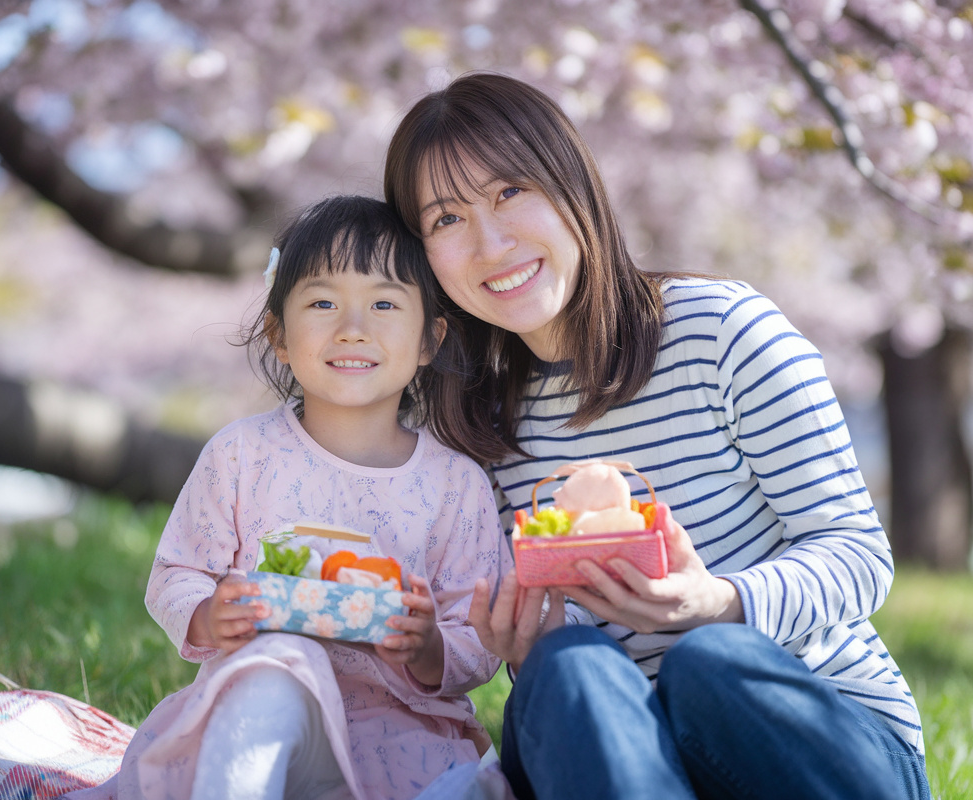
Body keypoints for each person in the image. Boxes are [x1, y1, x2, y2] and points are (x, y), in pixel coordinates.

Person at [382, 72, 930, 800]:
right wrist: (525, 643)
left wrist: (718, 602)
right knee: (568, 666)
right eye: (447, 219)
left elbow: (858, 554)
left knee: (710, 661)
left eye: (510, 191)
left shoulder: (722, 332)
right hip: (626, 764)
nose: (491, 243)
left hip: (819, 740)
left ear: (571, 183)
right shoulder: (477, 425)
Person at [111, 195, 509, 800]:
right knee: (274, 671)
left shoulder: (456, 484)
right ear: (279, 334)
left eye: (384, 304)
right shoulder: (242, 454)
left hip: (405, 743)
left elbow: (480, 634)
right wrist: (210, 614)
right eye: (323, 303)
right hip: (266, 724)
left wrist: (428, 647)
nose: (352, 328)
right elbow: (176, 573)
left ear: (430, 338)